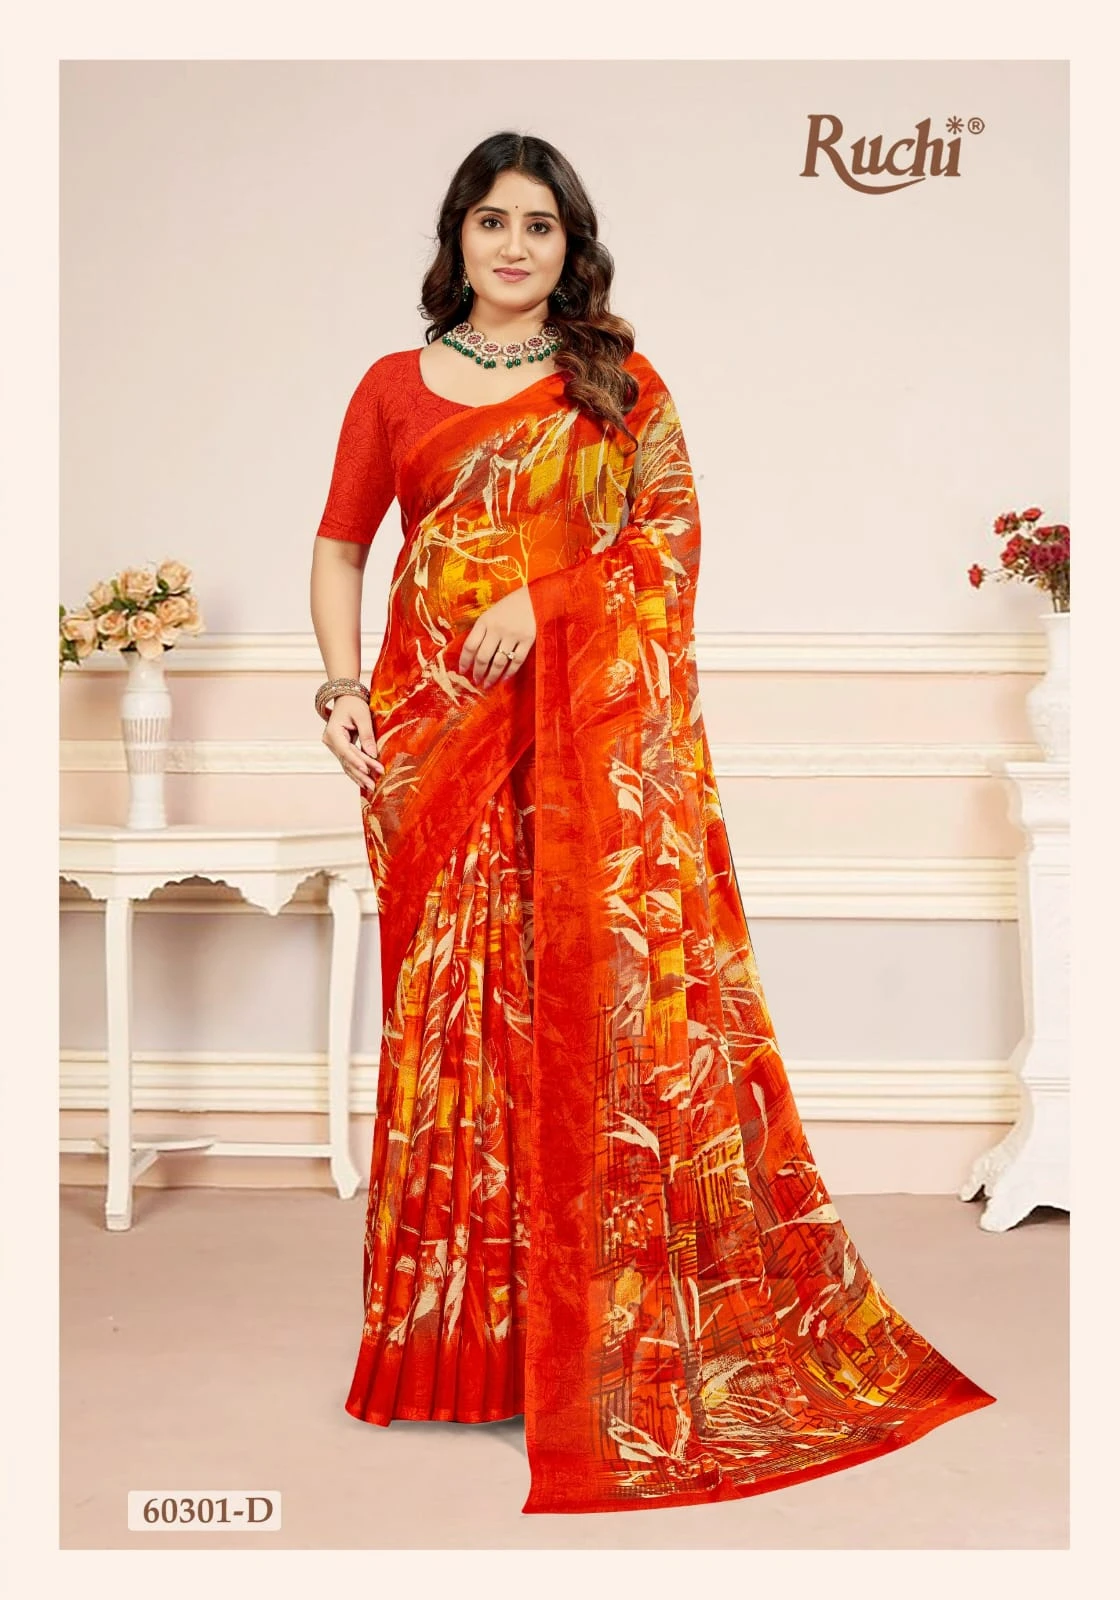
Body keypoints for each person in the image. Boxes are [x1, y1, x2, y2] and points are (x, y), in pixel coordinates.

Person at [309, 131, 996, 1517]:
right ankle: (464, 1352)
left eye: (541, 226)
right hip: (434, 737)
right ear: (457, 238)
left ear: (572, 247)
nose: (515, 246)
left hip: (576, 751)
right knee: (457, 1031)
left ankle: (588, 1342)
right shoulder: (390, 385)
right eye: (493, 221)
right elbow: (340, 546)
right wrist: (337, 689)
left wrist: (546, 601)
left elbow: (667, 549)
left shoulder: (618, 385)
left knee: (583, 1015)